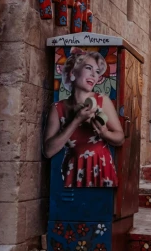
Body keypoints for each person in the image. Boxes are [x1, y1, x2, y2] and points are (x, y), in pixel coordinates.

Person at [44, 49, 124, 187]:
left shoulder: (103, 101)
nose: (94, 74)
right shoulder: (57, 108)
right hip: (74, 171)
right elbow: (48, 151)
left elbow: (120, 138)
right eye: (88, 68)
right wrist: (76, 120)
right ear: (73, 73)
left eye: (98, 71)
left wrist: (104, 133)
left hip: (102, 169)